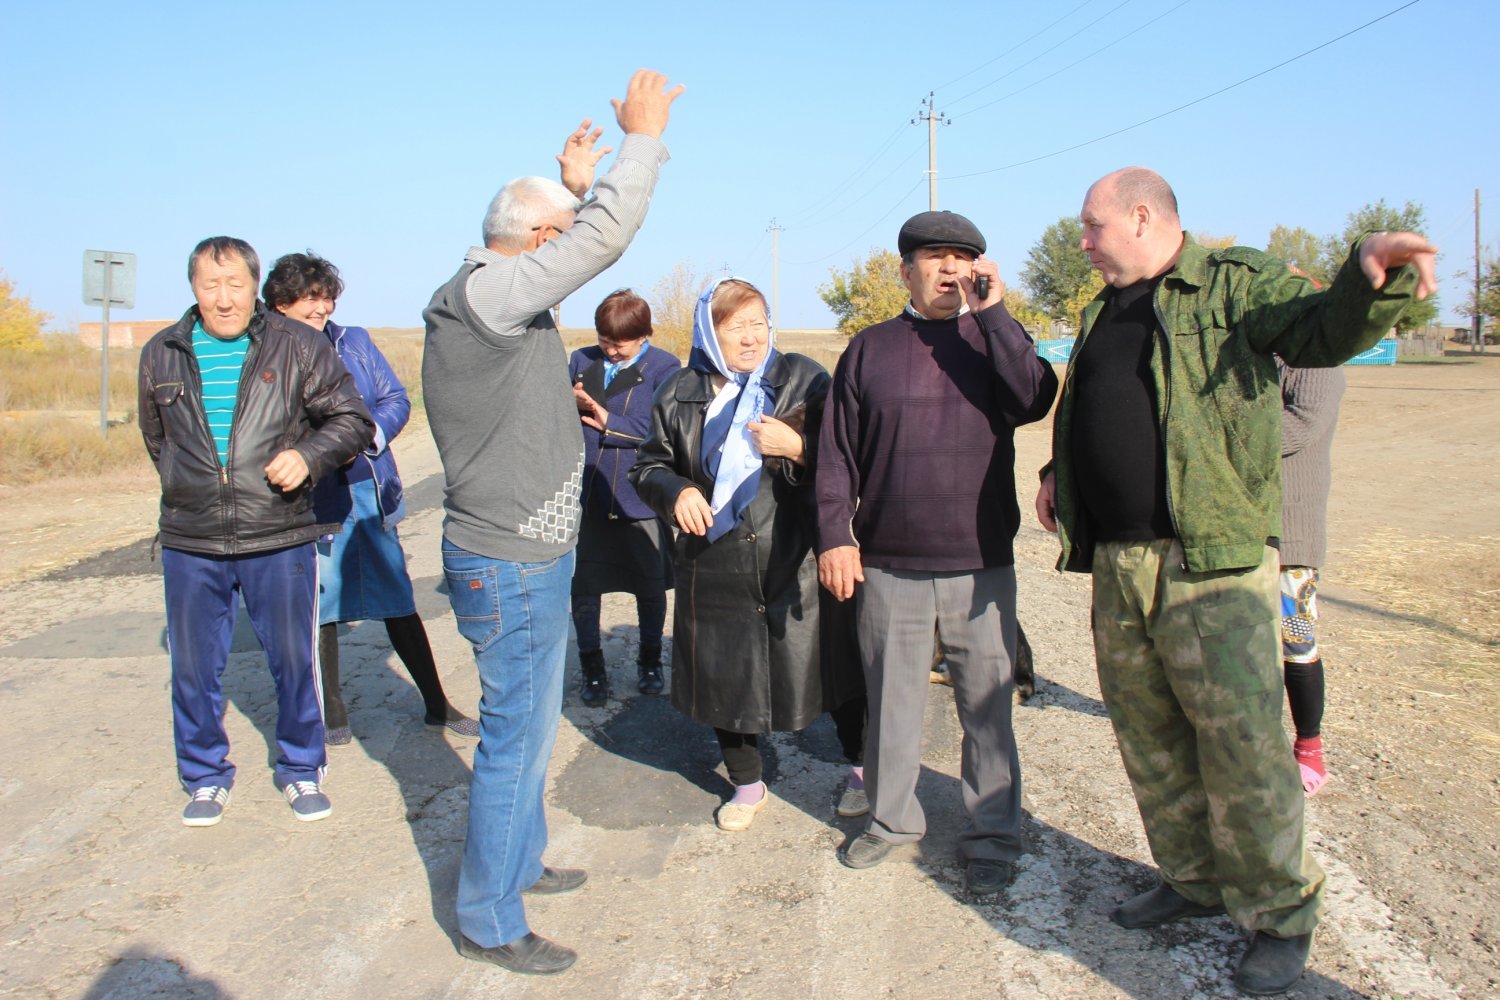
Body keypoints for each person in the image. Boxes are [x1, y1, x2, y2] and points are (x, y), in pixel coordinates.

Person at [1034, 167, 1435, 995]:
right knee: (1150, 739)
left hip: (1210, 564)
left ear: (1140, 216)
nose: (1083, 243)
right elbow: (1107, 403)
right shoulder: (1104, 306)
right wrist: (1055, 470)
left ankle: (1281, 916)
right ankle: (1191, 880)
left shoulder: (1232, 284)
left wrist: (1371, 271)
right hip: (1119, 563)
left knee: (1245, 748)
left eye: (1091, 227)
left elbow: (1323, 332)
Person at [421, 69, 683, 977]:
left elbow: (558, 238)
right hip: (511, 560)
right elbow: (604, 239)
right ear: (533, 242)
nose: (562, 252)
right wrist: (640, 143)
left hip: (514, 552)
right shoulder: (491, 296)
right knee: (512, 739)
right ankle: (490, 919)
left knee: (526, 730)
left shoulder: (487, 287)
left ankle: (520, 863)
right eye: (555, 240)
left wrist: (568, 189)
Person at [816, 211, 1059, 895]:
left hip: (979, 561)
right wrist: (837, 534)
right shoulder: (870, 349)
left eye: (964, 258)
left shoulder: (995, 342)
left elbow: (1034, 396)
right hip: (890, 560)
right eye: (936, 257)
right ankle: (892, 823)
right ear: (907, 270)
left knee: (987, 706)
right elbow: (836, 453)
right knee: (891, 703)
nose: (951, 269)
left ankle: (991, 835)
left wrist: (997, 316)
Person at [138, 236, 374, 828]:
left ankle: (301, 768)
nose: (222, 299)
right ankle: (204, 775)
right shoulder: (160, 353)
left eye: (234, 285)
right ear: (193, 288)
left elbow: (350, 419)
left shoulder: (297, 345)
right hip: (192, 541)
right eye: (209, 286)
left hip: (279, 532)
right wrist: (192, 484)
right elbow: (157, 440)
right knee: (192, 668)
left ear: (254, 286)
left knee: (295, 661)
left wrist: (308, 457)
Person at [631, 278, 865, 832]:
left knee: (831, 667)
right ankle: (747, 782)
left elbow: (850, 457)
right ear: (709, 334)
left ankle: (861, 768)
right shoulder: (679, 390)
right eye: (735, 326)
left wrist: (800, 449)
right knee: (724, 675)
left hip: (797, 557)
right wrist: (676, 490)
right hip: (714, 564)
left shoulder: (804, 379)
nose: (751, 335)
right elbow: (648, 466)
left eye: (759, 321)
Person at [262, 252, 478, 746]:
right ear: (277, 307)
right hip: (309, 498)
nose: (320, 320)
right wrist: (312, 454)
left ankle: (436, 704)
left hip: (367, 487)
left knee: (397, 597)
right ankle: (332, 712)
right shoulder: (265, 356)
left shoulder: (352, 342)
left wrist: (365, 438)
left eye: (325, 309)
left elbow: (394, 400)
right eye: (307, 312)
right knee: (322, 604)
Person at [567, 289, 681, 706]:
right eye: (604, 341)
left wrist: (605, 419)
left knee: (649, 587)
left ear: (645, 335)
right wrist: (570, 402)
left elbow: (658, 430)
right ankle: (591, 669)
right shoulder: (581, 360)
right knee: (585, 588)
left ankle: (650, 662)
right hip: (589, 494)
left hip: (639, 498)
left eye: (620, 343)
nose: (611, 351)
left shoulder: (664, 366)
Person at [1276, 359, 1345, 796]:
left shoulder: (1317, 360)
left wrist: (1215, 431)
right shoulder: (1252, 348)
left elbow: (1300, 426)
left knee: (1297, 639)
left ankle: (1309, 746)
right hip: (1238, 530)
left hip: (1291, 533)